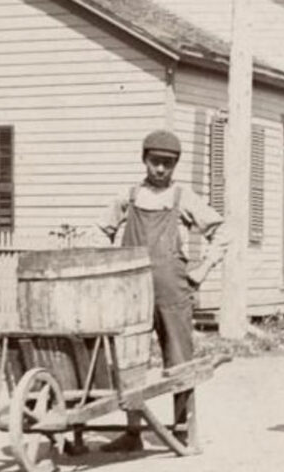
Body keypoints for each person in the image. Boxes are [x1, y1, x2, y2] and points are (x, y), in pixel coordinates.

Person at [97, 129, 230, 452]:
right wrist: (105, 268)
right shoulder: (127, 196)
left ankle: (183, 428)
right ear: (144, 160)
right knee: (130, 359)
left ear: (175, 166)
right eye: (155, 162)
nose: (160, 170)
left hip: (172, 289)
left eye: (167, 164)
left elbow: (222, 231)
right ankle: (132, 432)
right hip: (130, 291)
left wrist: (202, 269)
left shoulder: (184, 198)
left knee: (179, 358)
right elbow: (101, 232)